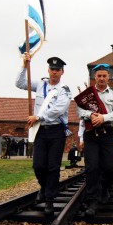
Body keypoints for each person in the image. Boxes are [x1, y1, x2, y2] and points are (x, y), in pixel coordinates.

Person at [16, 54, 72, 216]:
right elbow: (20, 83)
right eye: (52, 69)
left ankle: (49, 200)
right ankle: (44, 187)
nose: (54, 72)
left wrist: (38, 117)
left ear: (62, 72)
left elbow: (58, 110)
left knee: (53, 167)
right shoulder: (41, 85)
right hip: (41, 131)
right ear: (48, 70)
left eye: (57, 70)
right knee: (38, 165)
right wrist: (24, 65)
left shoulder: (64, 90)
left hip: (56, 131)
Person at [77, 63, 113, 217]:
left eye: (104, 76)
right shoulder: (87, 94)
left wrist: (103, 117)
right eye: (99, 76)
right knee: (92, 168)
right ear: (94, 77)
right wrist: (90, 116)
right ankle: (92, 200)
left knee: (109, 167)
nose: (102, 78)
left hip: (107, 133)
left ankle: (104, 188)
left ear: (108, 77)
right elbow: (79, 110)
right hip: (90, 134)